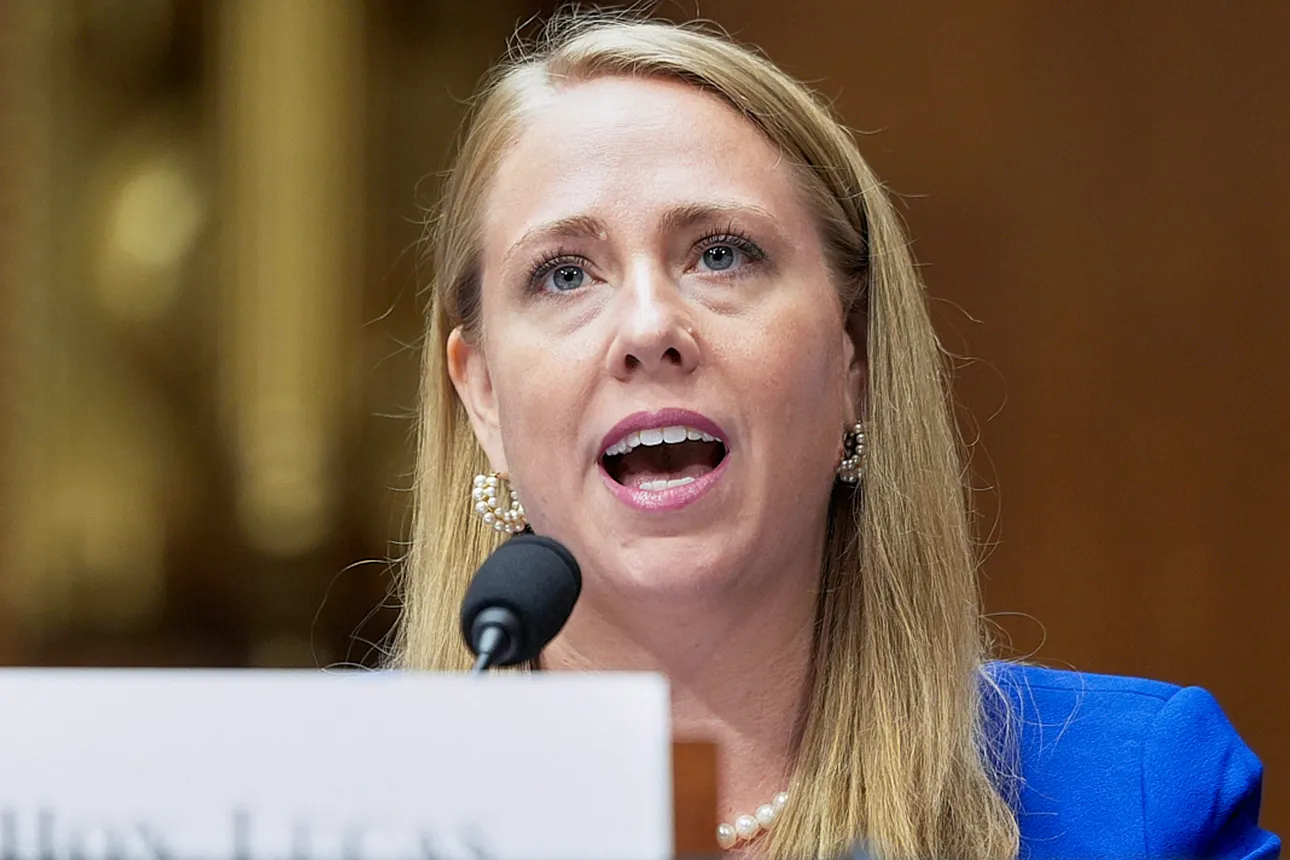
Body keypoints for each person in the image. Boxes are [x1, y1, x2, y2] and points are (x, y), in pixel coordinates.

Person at [393, 11, 1280, 860]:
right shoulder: (315, 799)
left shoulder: (1140, 799)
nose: (648, 326)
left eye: (721, 253)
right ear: (483, 398)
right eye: (563, 273)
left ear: (853, 356)